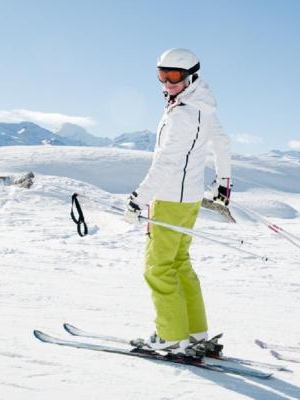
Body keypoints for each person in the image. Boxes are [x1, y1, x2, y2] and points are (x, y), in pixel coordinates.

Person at [124, 48, 231, 354]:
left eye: (175, 76)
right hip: (189, 201)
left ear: (191, 77)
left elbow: (167, 161)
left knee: (158, 268)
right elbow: (222, 144)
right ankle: (195, 333)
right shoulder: (202, 108)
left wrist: (138, 199)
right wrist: (224, 182)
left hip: (170, 199)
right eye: (162, 75)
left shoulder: (184, 114)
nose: (168, 83)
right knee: (180, 264)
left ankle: (170, 335)